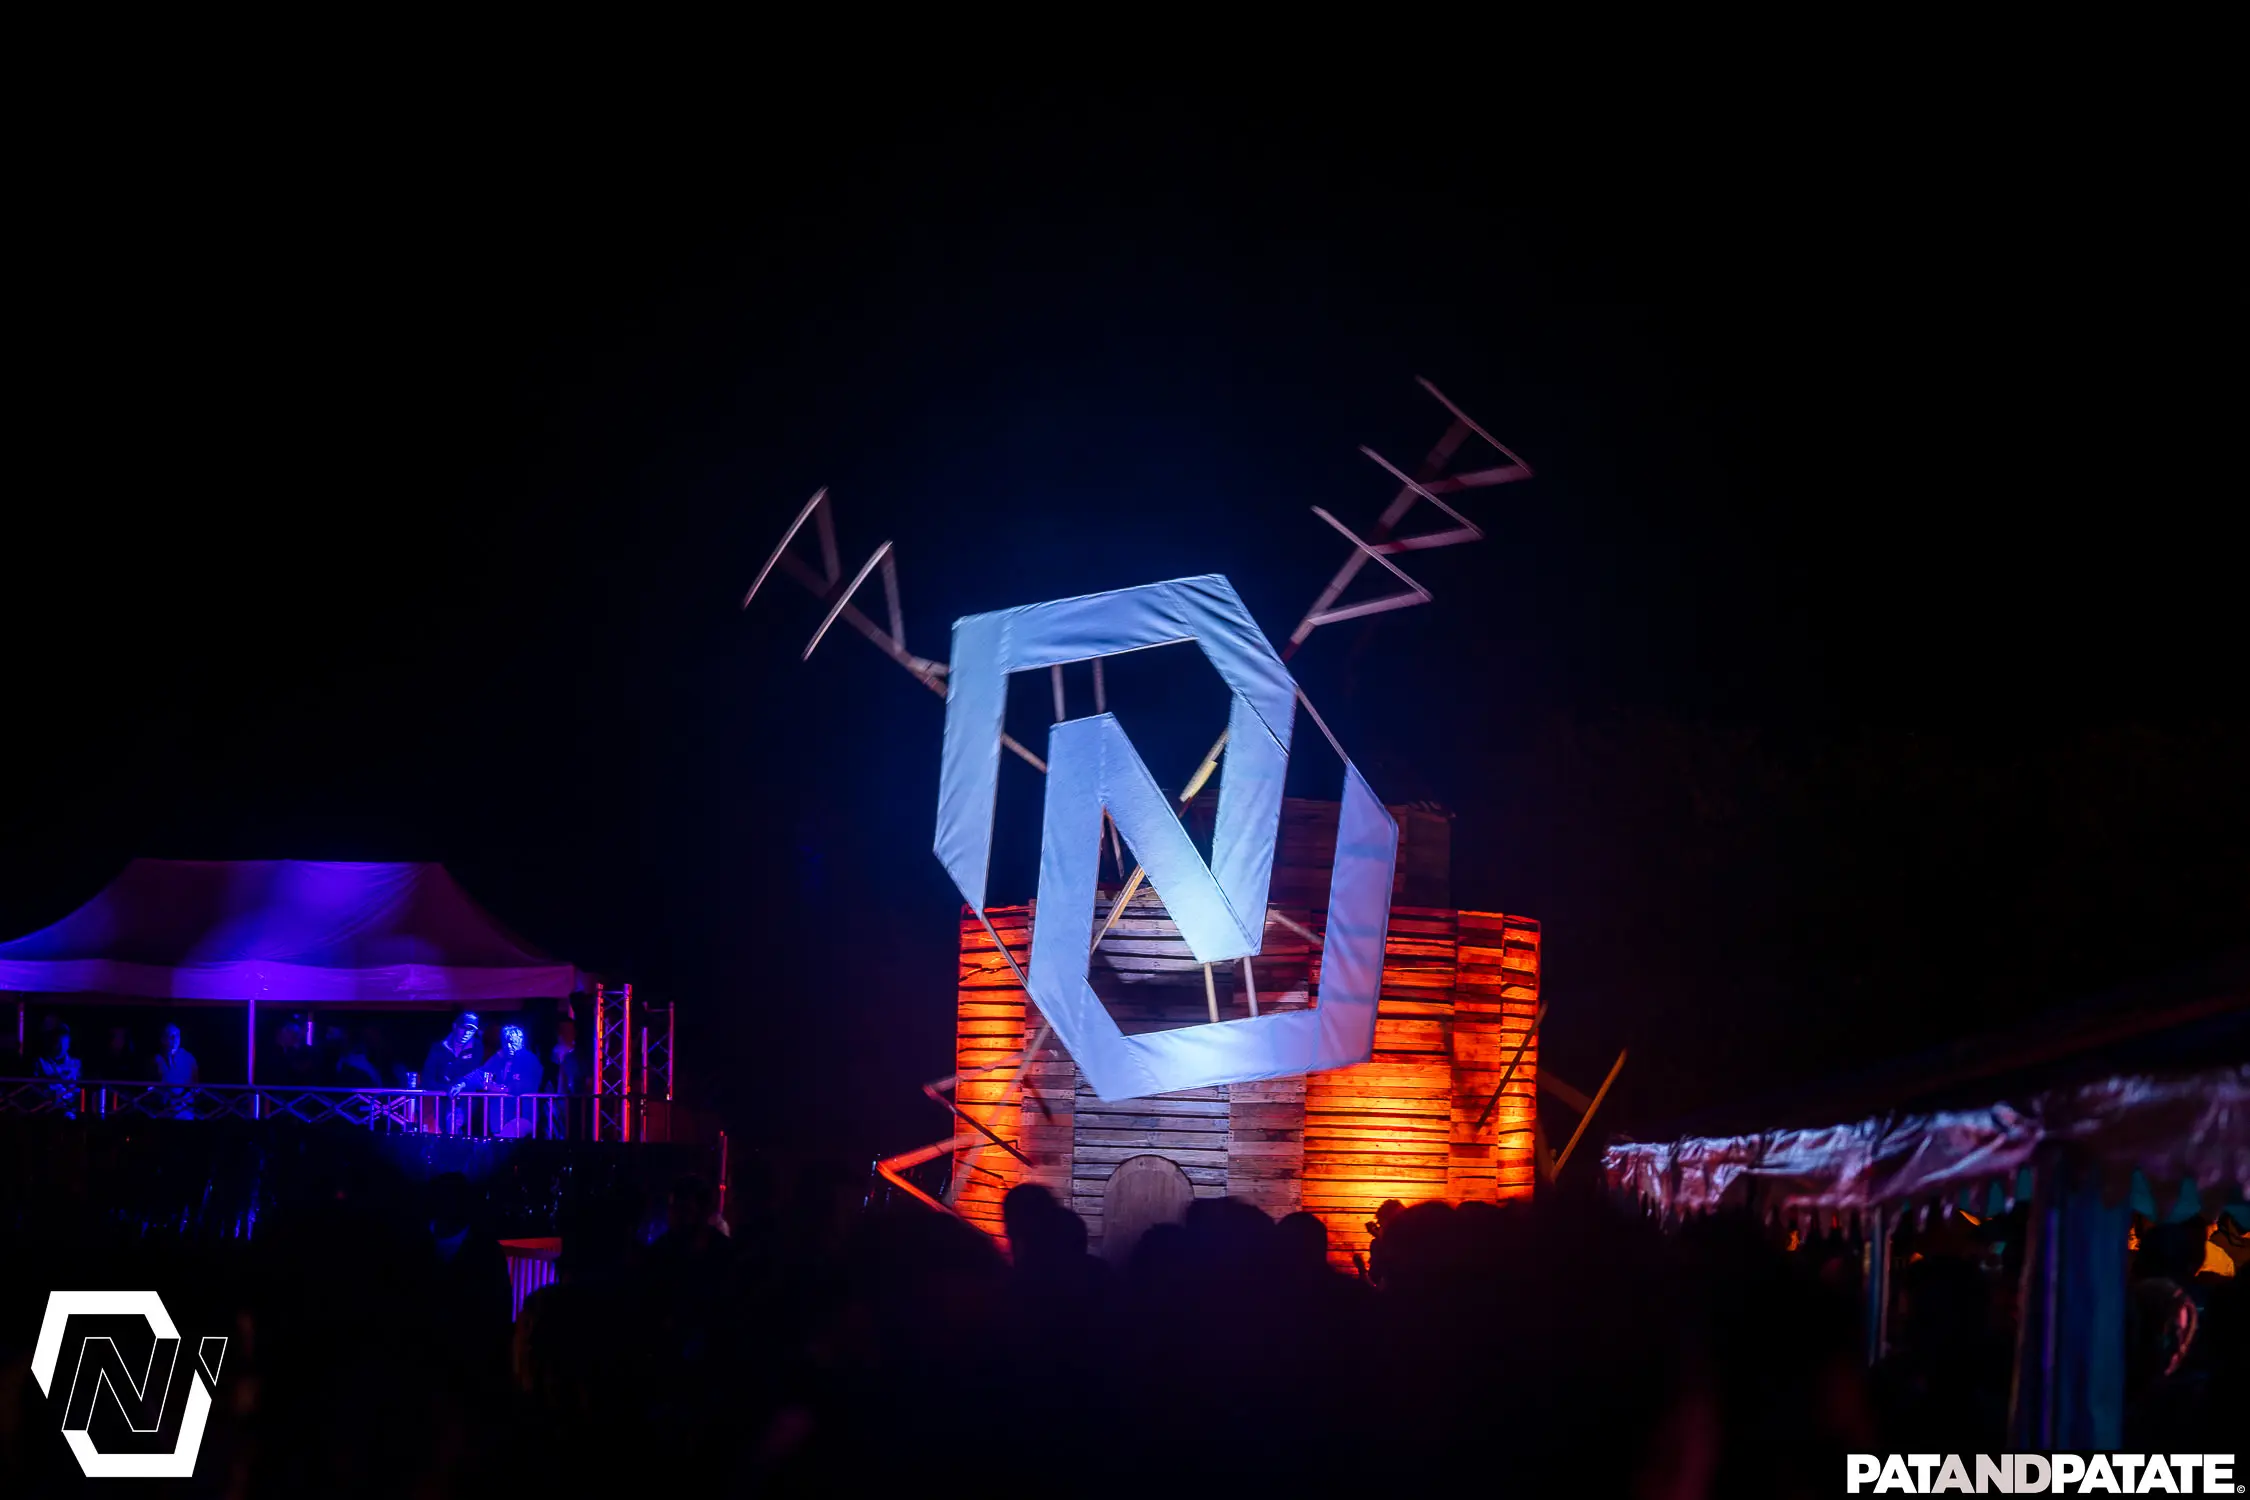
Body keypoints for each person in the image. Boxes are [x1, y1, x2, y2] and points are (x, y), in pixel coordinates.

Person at [149, 1022, 199, 1119]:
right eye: (170, 1036)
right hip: (163, 1112)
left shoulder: (189, 1058)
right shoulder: (156, 1060)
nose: (175, 1039)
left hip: (185, 1111)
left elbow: (196, 1085)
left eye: (177, 1035)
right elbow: (149, 1087)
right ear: (163, 1039)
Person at [36, 1025, 83, 1116]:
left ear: (68, 1044)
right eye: (58, 1043)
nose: (60, 1048)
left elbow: (80, 1088)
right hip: (46, 1109)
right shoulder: (40, 1062)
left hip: (71, 1109)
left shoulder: (76, 1064)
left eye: (64, 1044)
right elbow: (35, 1088)